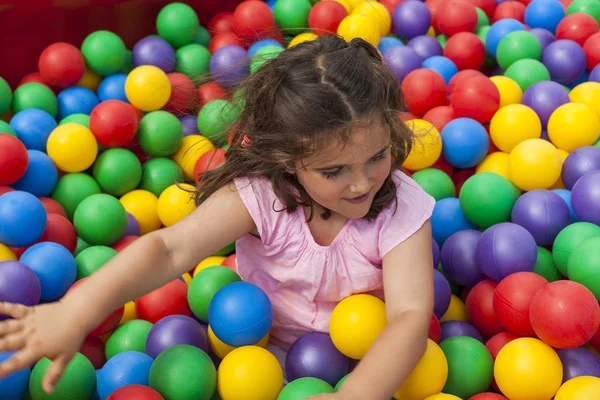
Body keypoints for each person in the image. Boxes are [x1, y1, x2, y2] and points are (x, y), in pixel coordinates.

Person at [0, 35, 435, 400]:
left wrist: (355, 393)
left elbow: (409, 317)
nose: (362, 184)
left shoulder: (401, 205)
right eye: (333, 171)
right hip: (246, 352)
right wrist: (76, 312)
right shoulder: (263, 195)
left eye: (377, 157)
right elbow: (168, 247)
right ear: (289, 161)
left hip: (374, 368)